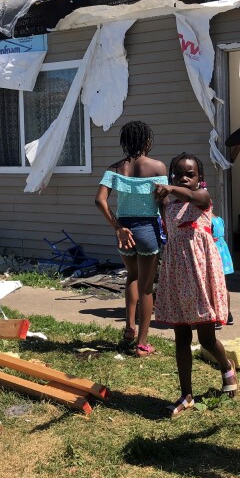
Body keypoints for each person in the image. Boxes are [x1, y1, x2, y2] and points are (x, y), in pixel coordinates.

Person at [153, 153, 237, 417]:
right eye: (178, 174)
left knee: (207, 339)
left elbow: (197, 198)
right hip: (177, 274)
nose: (184, 178)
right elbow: (169, 231)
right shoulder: (167, 205)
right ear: (170, 176)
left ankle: (226, 367)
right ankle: (186, 394)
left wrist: (173, 188)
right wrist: (161, 199)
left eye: (190, 174)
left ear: (200, 179)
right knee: (181, 336)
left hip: (200, 275)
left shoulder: (203, 200)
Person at [95, 121, 168, 357]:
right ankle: (142, 343)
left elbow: (100, 200)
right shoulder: (158, 167)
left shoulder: (115, 169)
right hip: (147, 230)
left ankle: (129, 330)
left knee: (132, 277)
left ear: (125, 143)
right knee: (147, 288)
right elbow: (164, 203)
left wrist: (118, 227)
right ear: (147, 141)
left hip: (124, 231)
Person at [211, 215, 236, 331]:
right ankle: (228, 314)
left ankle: (217, 318)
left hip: (214, 253)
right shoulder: (220, 219)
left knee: (213, 287)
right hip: (223, 252)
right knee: (224, 286)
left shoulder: (208, 221)